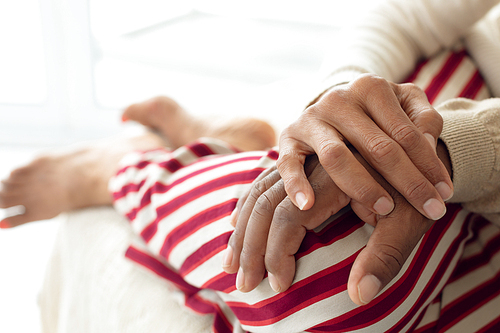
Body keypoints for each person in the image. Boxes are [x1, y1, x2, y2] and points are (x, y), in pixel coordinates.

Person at [1, 0, 500, 332]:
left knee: (341, 294)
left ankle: (227, 146)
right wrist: (343, 106)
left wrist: (451, 154)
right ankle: (124, 170)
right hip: (452, 86)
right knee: (315, 271)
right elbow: (407, 13)